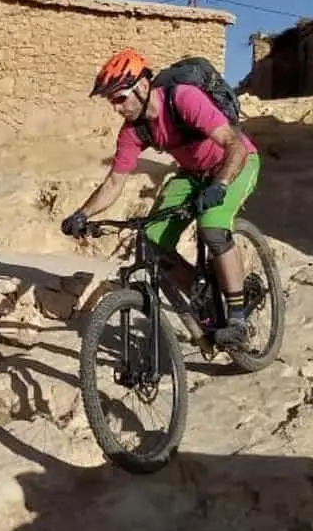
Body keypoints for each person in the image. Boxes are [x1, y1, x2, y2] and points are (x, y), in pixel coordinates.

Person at [60, 48, 261, 347]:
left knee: (212, 227)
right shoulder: (133, 131)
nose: (116, 108)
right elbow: (115, 181)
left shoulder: (182, 99)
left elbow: (234, 145)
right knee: (153, 241)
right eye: (110, 101)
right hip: (193, 173)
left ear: (142, 87)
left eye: (119, 98)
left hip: (235, 164)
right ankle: (201, 293)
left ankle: (237, 321)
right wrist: (82, 214)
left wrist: (219, 184)